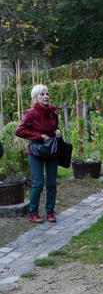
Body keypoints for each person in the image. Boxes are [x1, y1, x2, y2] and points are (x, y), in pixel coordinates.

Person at [16, 84, 61, 224]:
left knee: (52, 182)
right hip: (36, 151)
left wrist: (57, 132)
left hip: (51, 151)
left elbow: (55, 127)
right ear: (35, 98)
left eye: (47, 93)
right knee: (38, 182)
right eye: (42, 94)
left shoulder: (53, 112)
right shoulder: (30, 113)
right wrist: (39, 136)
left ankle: (50, 211)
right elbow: (19, 130)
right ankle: (33, 213)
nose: (46, 96)